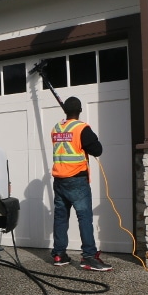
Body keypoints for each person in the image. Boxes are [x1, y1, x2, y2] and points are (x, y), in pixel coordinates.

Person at [50, 97, 112, 271]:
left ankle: (59, 254)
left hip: (59, 180)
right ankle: (89, 257)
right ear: (79, 110)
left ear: (65, 111)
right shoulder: (81, 128)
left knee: (60, 218)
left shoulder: (56, 128)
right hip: (77, 180)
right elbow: (97, 150)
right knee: (84, 217)